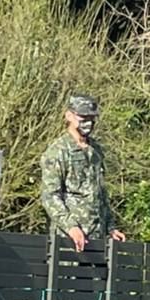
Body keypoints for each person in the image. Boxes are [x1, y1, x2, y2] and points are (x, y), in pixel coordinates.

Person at [39, 95, 126, 253]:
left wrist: (111, 228)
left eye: (92, 118)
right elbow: (50, 196)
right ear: (69, 116)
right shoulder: (58, 151)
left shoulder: (96, 151)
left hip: (97, 239)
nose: (88, 122)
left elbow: (101, 193)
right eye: (83, 117)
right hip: (69, 242)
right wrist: (71, 227)